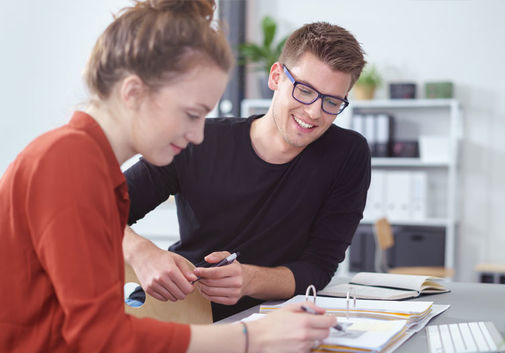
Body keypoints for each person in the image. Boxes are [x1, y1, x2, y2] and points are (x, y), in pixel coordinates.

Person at [0, 1, 336, 353]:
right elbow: (105, 343)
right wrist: (254, 337)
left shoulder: (94, 167)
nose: (197, 135)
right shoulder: (68, 162)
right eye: (192, 114)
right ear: (133, 92)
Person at [124, 21, 371, 321]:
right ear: (277, 77)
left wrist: (250, 280)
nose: (314, 112)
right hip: (174, 310)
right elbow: (94, 210)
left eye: (332, 101)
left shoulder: (347, 155)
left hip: (265, 321)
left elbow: (318, 268)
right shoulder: (197, 139)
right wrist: (140, 252)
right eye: (305, 91)